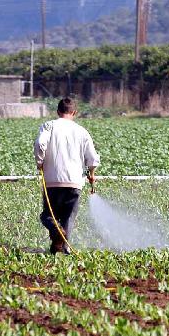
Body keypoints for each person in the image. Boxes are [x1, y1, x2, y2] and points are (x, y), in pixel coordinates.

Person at [34, 97, 100, 254]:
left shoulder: (49, 126)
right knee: (68, 218)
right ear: (74, 113)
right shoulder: (82, 131)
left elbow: (40, 144)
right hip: (75, 182)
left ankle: (57, 235)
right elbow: (92, 158)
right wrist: (91, 174)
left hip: (52, 181)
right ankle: (63, 249)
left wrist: (40, 161)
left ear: (58, 112)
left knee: (47, 216)